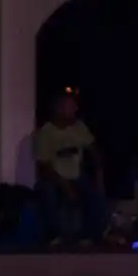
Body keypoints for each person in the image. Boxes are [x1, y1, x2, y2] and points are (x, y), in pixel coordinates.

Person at [33, 88, 107, 246]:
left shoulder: (79, 127)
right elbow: (44, 166)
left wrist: (99, 173)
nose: (75, 109)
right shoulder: (46, 132)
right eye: (70, 106)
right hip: (55, 178)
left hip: (77, 176)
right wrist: (65, 185)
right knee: (47, 191)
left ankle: (90, 235)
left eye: (75, 106)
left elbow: (93, 148)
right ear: (59, 108)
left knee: (95, 192)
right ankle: (54, 236)